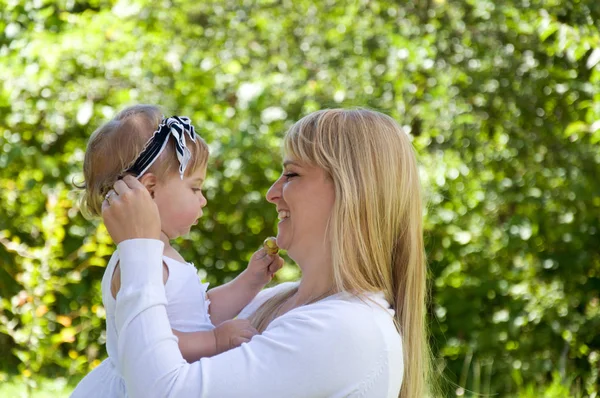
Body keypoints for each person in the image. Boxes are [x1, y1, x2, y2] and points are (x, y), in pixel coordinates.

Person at [101, 108, 433, 397]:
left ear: (353, 191)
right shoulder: (275, 301)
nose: (272, 193)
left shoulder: (348, 329)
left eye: (292, 174)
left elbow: (162, 391)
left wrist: (141, 249)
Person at [71, 105, 283, 397]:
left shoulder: (163, 257)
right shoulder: (141, 265)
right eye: (195, 188)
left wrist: (251, 279)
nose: (204, 200)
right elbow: (151, 340)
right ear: (151, 190)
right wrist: (214, 341)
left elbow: (200, 312)